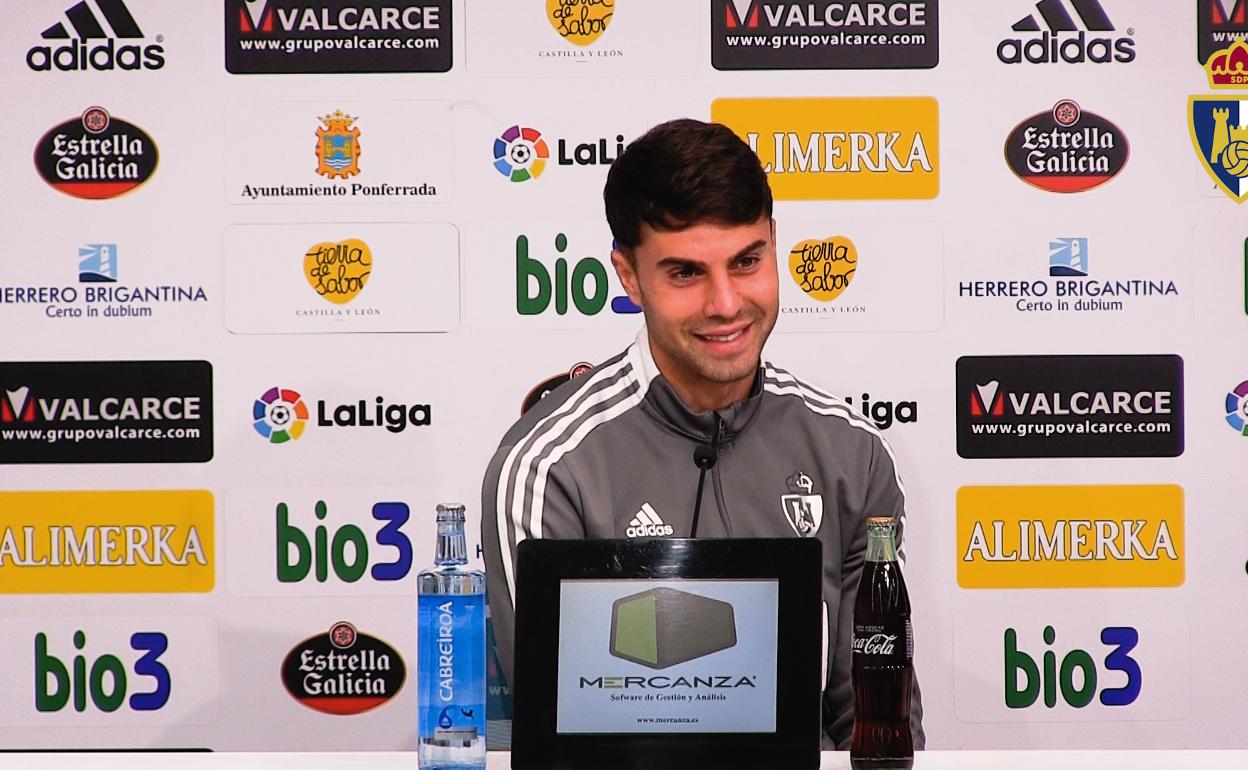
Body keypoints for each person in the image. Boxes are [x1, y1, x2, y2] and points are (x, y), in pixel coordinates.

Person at [480, 118, 924, 750]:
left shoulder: (851, 452)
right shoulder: (547, 468)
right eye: (686, 273)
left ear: (776, 245)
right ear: (629, 277)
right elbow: (565, 744)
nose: (725, 303)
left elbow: (878, 727)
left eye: (748, 261)